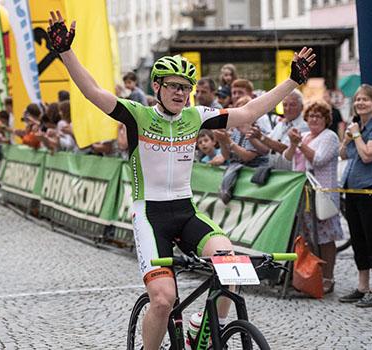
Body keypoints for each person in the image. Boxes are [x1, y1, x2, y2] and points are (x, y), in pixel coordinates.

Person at [47, 10, 315, 349]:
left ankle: (205, 328)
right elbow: (93, 92)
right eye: (174, 87)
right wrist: (65, 52)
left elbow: (248, 113)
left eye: (186, 88)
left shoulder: (196, 116)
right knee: (162, 299)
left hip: (186, 211)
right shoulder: (138, 114)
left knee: (230, 267)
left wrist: (292, 80)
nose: (181, 93)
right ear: (156, 87)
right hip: (150, 215)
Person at [338, 84, 372, 307]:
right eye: (358, 99)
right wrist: (347, 139)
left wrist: (357, 135)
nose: (360, 103)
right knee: (358, 238)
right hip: (353, 187)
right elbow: (343, 154)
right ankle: (362, 286)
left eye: (365, 99)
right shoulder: (357, 126)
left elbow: (369, 155)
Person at [283, 100, 343, 293]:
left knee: (326, 237)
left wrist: (298, 143)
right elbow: (287, 157)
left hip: (322, 195)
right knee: (308, 236)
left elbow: (318, 159)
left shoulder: (330, 137)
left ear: (326, 119)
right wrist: (293, 144)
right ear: (306, 119)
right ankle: (312, 274)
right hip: (304, 195)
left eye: (319, 116)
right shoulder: (306, 135)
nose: (315, 119)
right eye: (312, 116)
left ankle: (328, 277)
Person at [248, 89, 309, 170]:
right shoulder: (280, 125)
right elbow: (266, 149)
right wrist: (252, 136)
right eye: (285, 105)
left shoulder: (304, 126)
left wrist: (261, 137)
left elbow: (286, 149)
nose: (288, 108)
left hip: (293, 176)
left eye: (292, 105)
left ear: (301, 107)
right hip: (275, 173)